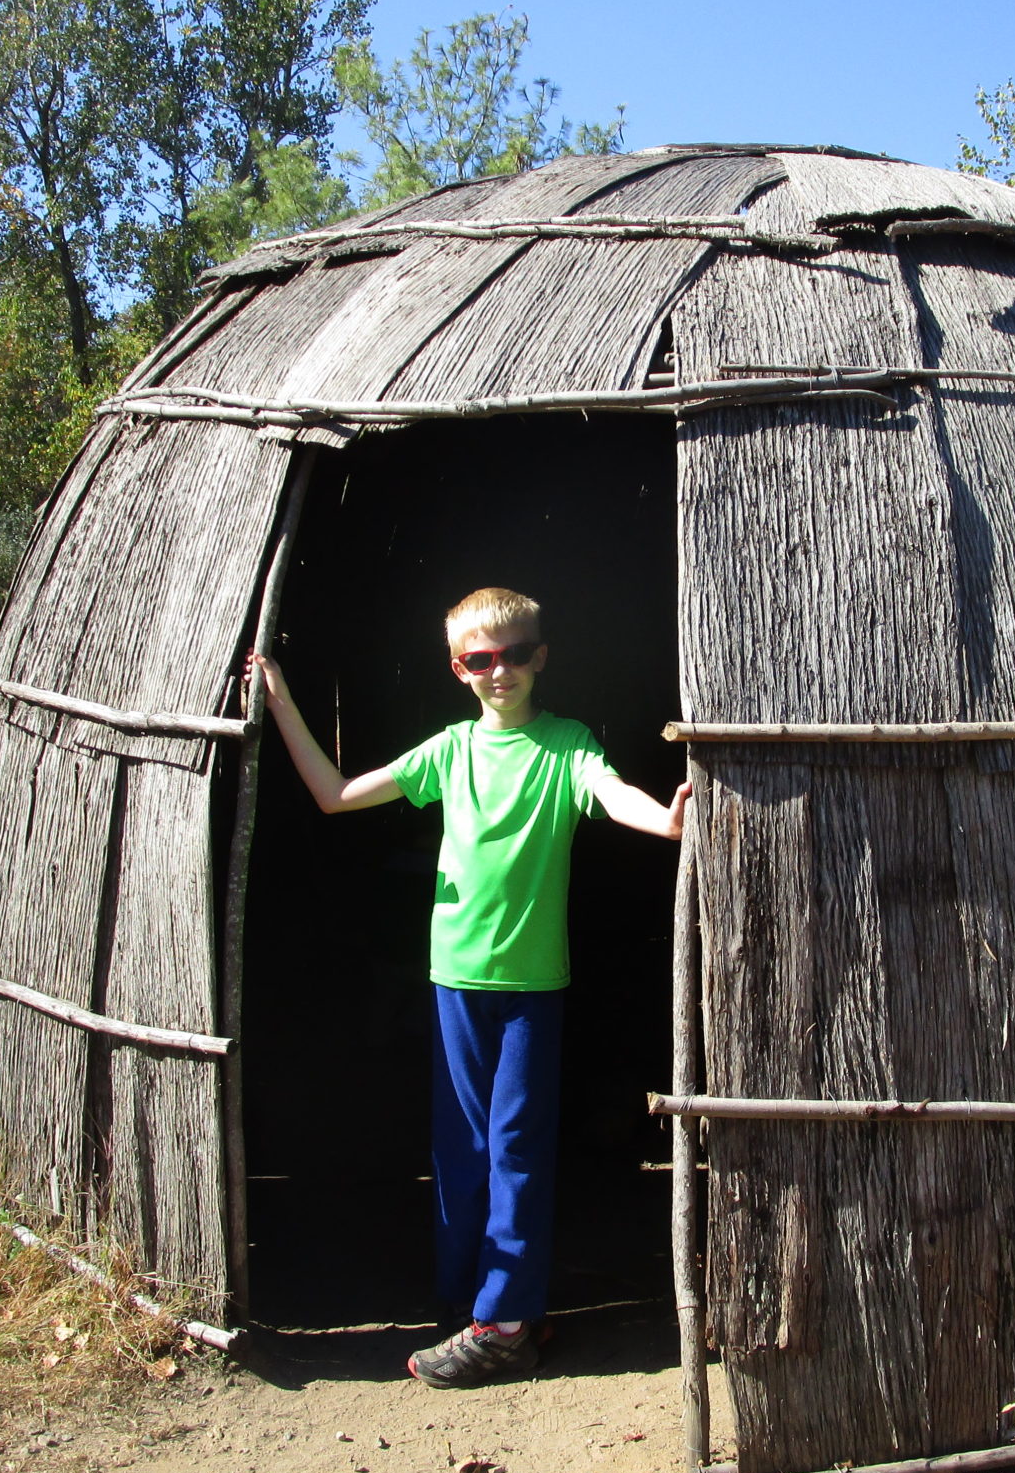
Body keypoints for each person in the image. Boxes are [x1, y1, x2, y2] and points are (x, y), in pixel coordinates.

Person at [248, 587, 688, 1387]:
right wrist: (280, 703)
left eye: (516, 653)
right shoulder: (450, 751)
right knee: (461, 1150)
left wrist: (665, 820)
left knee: (517, 1145)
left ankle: (507, 1323)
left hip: (531, 987)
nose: (500, 671)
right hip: (454, 979)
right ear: (458, 668)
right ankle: (474, 1302)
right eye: (480, 659)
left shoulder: (565, 746)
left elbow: (612, 794)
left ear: (540, 656)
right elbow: (335, 795)